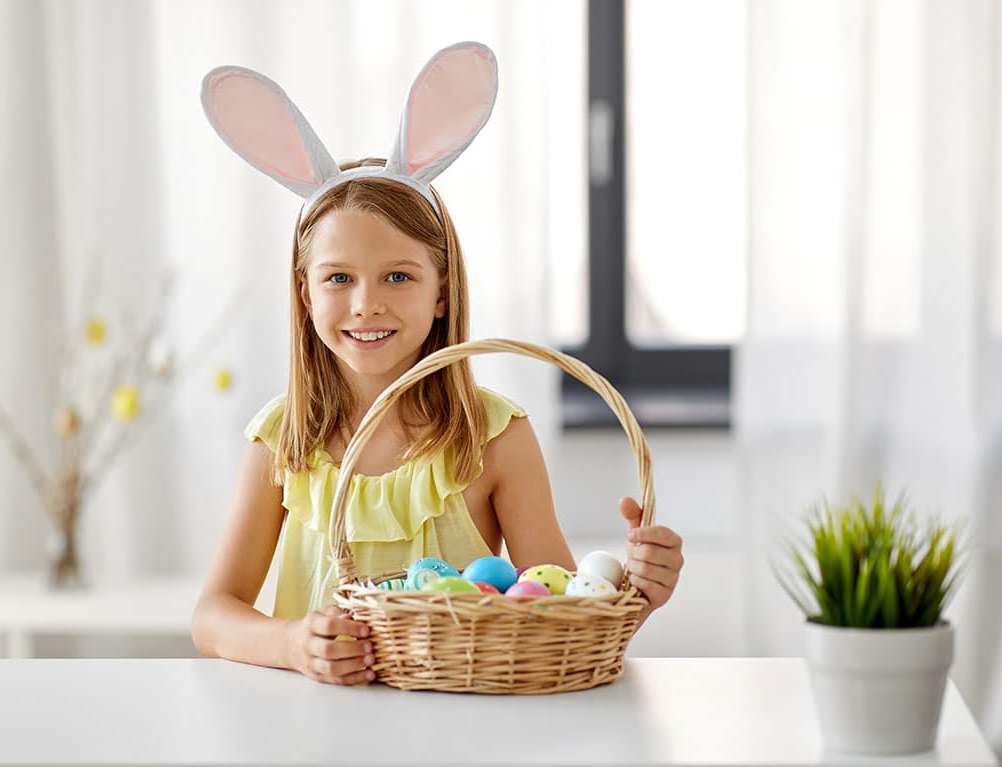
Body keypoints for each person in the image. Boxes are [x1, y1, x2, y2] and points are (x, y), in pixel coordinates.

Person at [190, 42, 684, 686]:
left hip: (464, 725)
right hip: (314, 730)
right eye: (339, 277)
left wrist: (639, 592)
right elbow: (212, 615)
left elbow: (559, 613)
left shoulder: (495, 438)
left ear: (442, 291)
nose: (367, 304)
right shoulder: (282, 441)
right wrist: (291, 643)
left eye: (398, 275)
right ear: (306, 292)